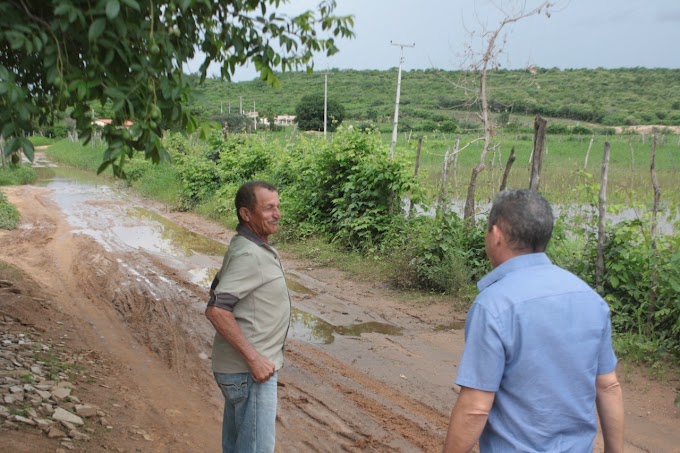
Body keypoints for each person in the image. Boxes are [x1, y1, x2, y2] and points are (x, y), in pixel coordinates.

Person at [443, 189, 624, 453]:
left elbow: (475, 408)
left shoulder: (493, 305)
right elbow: (608, 386)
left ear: (496, 236)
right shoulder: (589, 298)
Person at [205, 181, 291, 453]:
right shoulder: (248, 254)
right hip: (250, 373)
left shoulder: (245, 245)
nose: (277, 213)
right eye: (268, 208)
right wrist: (255, 360)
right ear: (246, 214)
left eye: (277, 206)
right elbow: (216, 309)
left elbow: (215, 290)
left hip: (242, 371)